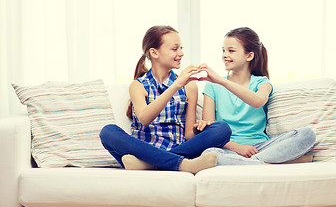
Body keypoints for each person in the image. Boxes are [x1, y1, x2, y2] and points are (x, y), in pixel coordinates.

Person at [99, 25, 231, 174]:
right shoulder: (138, 86)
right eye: (175, 49)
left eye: (181, 48)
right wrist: (176, 85)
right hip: (143, 149)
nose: (181, 53)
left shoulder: (189, 87)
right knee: (107, 132)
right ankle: (182, 164)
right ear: (154, 53)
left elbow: (188, 135)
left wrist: (201, 128)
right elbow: (144, 118)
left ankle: (150, 164)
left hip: (177, 148)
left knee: (222, 129)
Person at [199, 27, 316, 165]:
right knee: (209, 154)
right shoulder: (212, 86)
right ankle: (266, 163)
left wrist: (221, 81)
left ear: (249, 55)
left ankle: (250, 163)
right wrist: (238, 148)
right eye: (223, 50)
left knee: (307, 134)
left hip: (261, 147)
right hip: (228, 148)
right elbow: (210, 133)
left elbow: (258, 101)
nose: (224, 55)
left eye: (231, 50)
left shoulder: (262, 83)